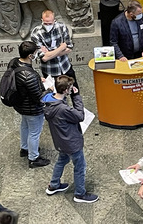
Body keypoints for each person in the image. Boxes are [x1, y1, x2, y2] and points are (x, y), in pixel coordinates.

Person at [42, 75, 98, 203]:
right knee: (80, 166)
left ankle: (54, 185)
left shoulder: (48, 100)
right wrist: (76, 97)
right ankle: (80, 194)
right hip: (71, 142)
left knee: (62, 160)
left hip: (60, 140)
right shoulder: (62, 108)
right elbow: (79, 116)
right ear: (66, 90)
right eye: (70, 88)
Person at [7, 41, 50, 168]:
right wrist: (49, 89)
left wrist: (38, 80)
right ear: (30, 56)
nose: (37, 55)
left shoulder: (14, 62)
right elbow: (39, 97)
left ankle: (24, 148)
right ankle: (33, 158)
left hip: (21, 105)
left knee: (25, 126)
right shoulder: (29, 75)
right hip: (32, 108)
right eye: (35, 53)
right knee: (34, 132)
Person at [30, 10, 78, 88]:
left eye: (50, 23)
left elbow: (69, 48)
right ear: (42, 20)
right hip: (50, 71)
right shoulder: (36, 33)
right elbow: (44, 58)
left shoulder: (62, 27)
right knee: (54, 96)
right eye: (45, 23)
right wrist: (62, 47)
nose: (47, 25)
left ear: (54, 21)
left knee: (74, 91)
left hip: (65, 66)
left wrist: (49, 53)